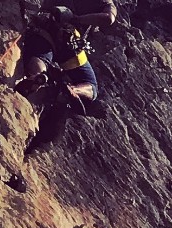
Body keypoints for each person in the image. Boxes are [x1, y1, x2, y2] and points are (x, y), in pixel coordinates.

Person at [17, 4, 116, 147]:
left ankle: (39, 76)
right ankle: (74, 90)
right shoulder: (104, 2)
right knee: (91, 86)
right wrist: (78, 20)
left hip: (46, 31)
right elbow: (109, 18)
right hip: (70, 43)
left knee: (39, 58)